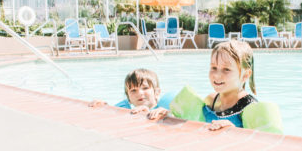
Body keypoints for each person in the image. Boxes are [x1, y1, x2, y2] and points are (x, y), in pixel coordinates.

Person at [151, 40, 282, 133]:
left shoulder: (249, 108)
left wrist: (235, 131)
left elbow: (261, 145)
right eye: (214, 67)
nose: (217, 75)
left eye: (226, 69)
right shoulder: (211, 100)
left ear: (245, 75)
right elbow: (191, 122)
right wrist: (167, 114)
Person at [89, 68, 172, 116]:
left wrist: (166, 114)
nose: (139, 93)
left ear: (157, 92)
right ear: (128, 97)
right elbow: (111, 115)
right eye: (133, 90)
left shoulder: (163, 108)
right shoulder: (126, 107)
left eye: (145, 88)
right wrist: (103, 107)